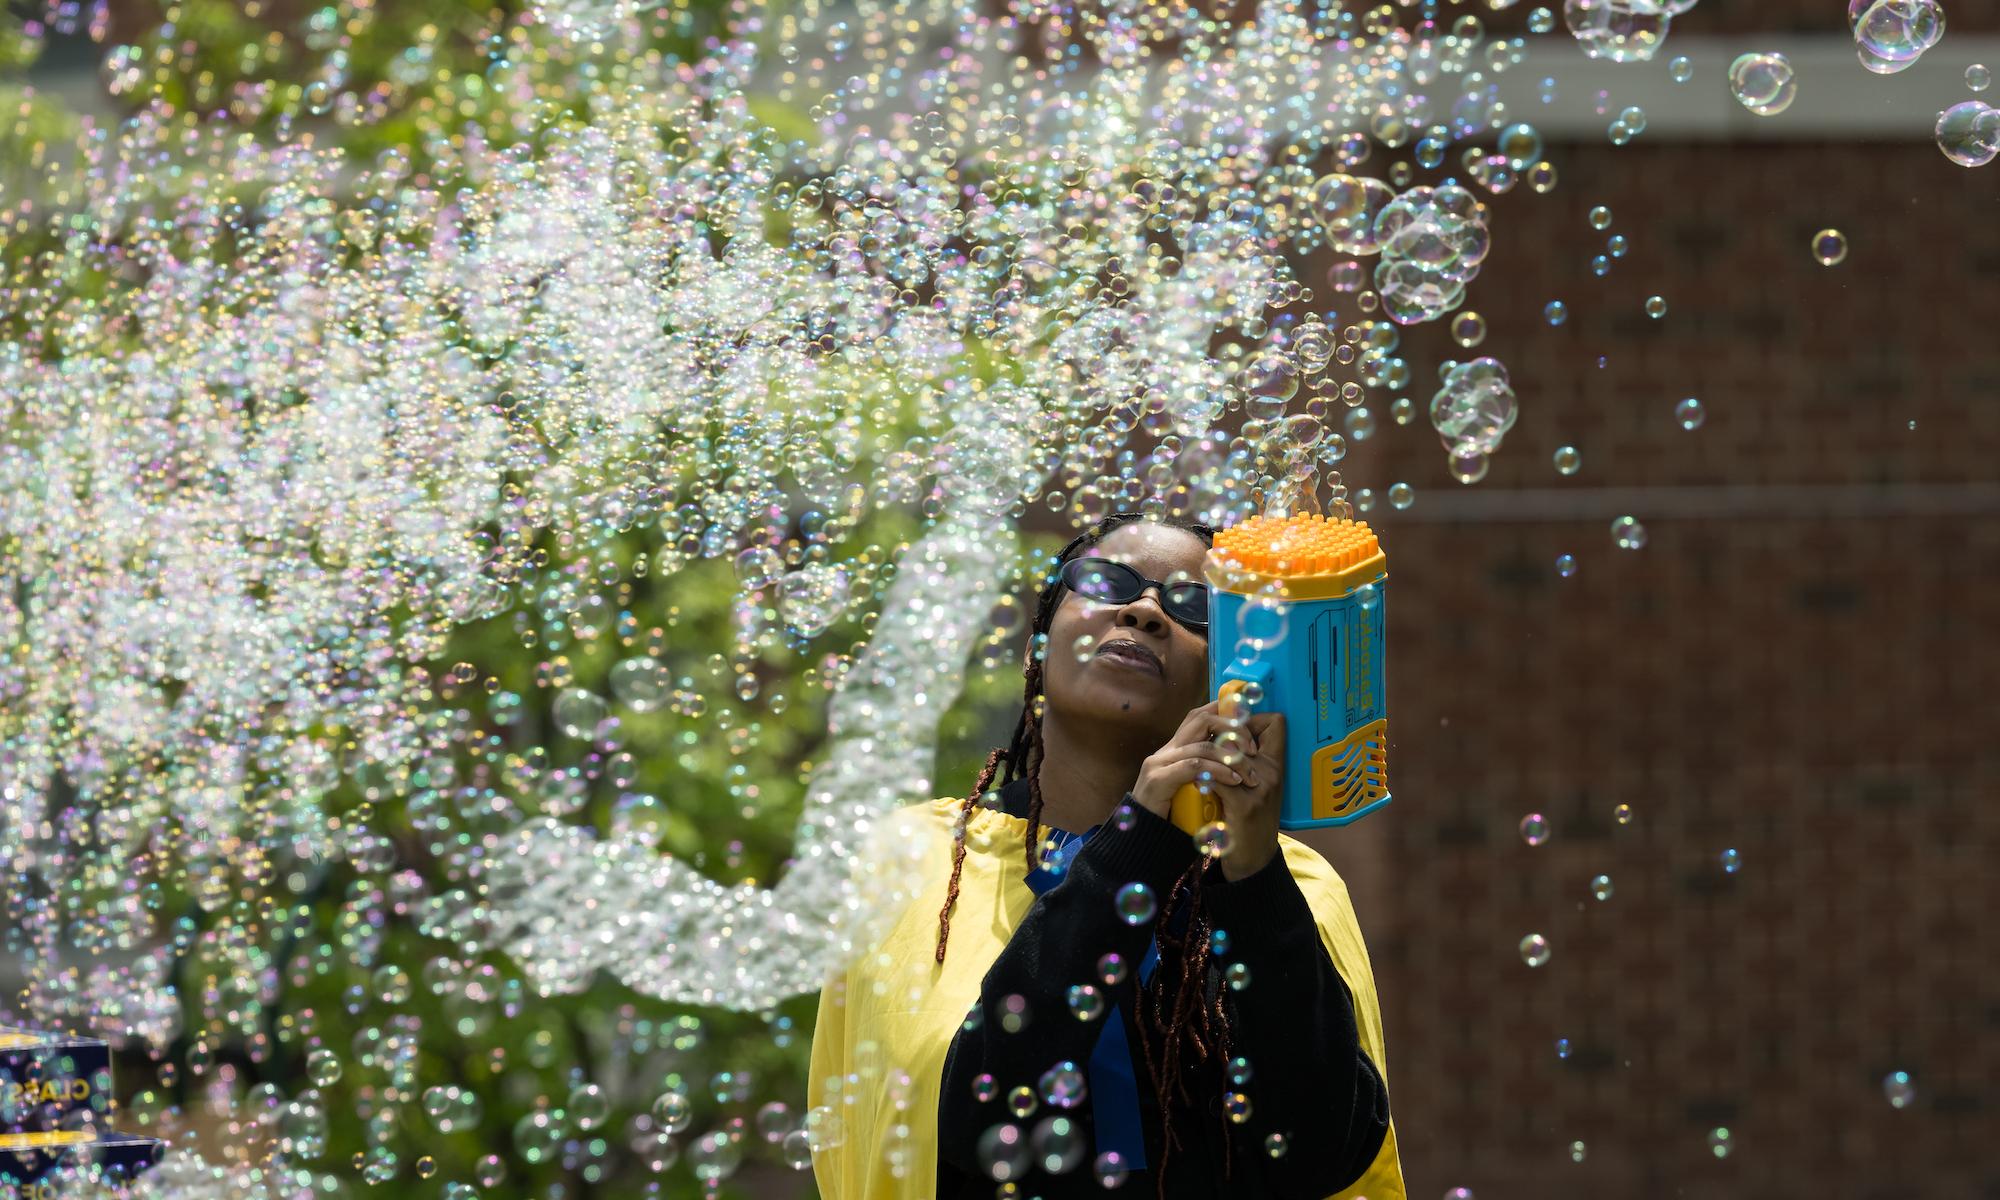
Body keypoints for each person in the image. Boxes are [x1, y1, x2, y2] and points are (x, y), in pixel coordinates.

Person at [808, 511, 1405, 1199]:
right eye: (1104, 580)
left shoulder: (1284, 881)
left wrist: (1250, 878)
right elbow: (976, 1118)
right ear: (1038, 642)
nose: (1145, 609)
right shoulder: (921, 857)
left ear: (1226, 675)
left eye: (1193, 605)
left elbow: (1318, 1149)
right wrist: (1140, 836)